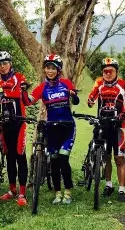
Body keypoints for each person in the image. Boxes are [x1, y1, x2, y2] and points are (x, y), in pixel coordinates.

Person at [24, 54, 79, 205]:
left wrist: (74, 95)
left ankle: (68, 192)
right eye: (47, 68)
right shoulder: (42, 87)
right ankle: (58, 193)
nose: (50, 71)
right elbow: (28, 101)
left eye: (53, 68)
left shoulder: (66, 83)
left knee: (63, 159)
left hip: (67, 127)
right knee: (54, 161)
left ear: (58, 70)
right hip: (52, 127)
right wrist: (23, 91)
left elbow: (76, 101)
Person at [0, 51, 31, 207]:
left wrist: (6, 90)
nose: (2, 67)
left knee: (20, 156)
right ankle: (12, 190)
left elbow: (21, 95)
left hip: (19, 123)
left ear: (10, 63)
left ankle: (22, 193)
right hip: (5, 125)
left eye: (5, 63)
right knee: (9, 157)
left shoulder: (19, 77)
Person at [87, 57, 125, 202]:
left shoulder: (123, 85)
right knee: (106, 157)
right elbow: (91, 97)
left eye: (111, 71)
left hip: (118, 127)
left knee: (119, 158)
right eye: (105, 71)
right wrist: (90, 101)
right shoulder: (99, 84)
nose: (108, 73)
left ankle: (122, 189)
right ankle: (108, 185)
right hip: (103, 125)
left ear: (116, 72)